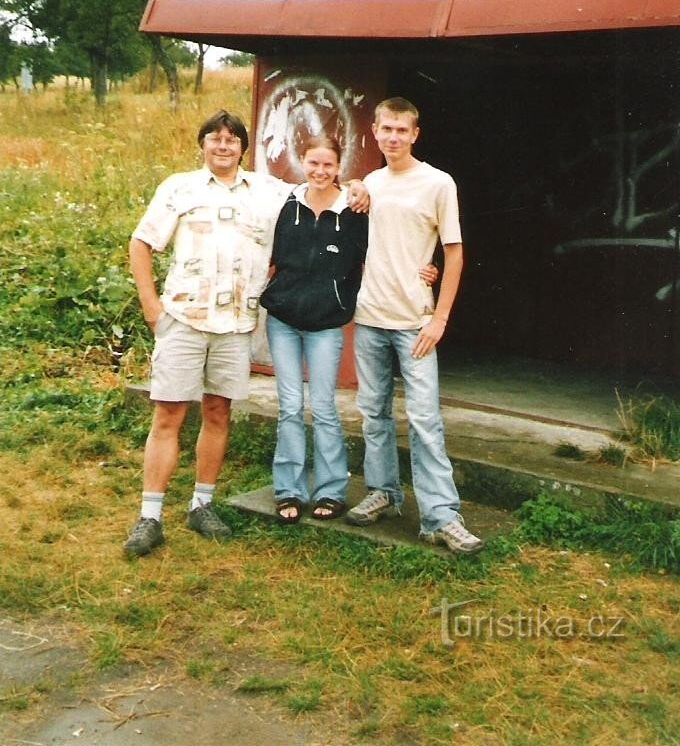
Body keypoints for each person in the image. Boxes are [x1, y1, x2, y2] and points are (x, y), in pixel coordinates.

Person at [123, 110, 292, 557]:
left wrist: (356, 188)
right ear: (202, 145)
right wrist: (153, 309)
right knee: (168, 416)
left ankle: (202, 504)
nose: (223, 145)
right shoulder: (180, 187)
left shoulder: (267, 194)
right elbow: (140, 244)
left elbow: (319, 191)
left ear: (243, 147)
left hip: (236, 326)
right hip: (182, 320)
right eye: (215, 138)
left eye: (232, 139)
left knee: (218, 414)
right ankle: (150, 516)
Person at [346, 97, 484, 554]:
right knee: (374, 413)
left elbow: (455, 253)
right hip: (370, 318)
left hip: (415, 323)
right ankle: (383, 493)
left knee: (425, 419)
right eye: (386, 129)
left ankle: (440, 516)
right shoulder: (369, 182)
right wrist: (352, 184)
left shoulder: (438, 183)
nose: (393, 137)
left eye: (401, 130)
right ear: (375, 131)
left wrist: (440, 318)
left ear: (415, 134)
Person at [260, 135, 368, 523]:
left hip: (326, 325)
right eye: (313, 163)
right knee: (290, 406)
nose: (320, 171)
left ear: (340, 167)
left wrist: (428, 269)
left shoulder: (355, 208)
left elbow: (378, 254)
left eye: (328, 165)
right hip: (284, 321)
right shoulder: (285, 203)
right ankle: (288, 489)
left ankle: (331, 490)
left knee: (323, 407)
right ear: (301, 162)